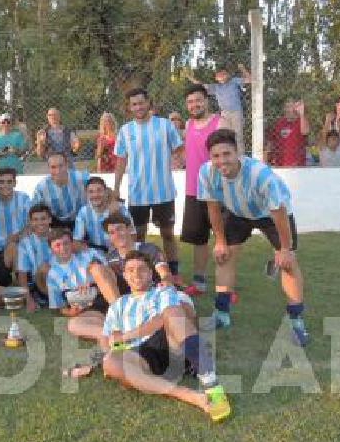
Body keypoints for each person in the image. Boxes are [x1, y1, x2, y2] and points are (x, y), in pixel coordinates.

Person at [198, 128, 309, 346]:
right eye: (216, 156)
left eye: (227, 154)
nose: (222, 161)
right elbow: (212, 208)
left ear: (238, 152)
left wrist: (285, 249)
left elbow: (279, 213)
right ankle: (221, 314)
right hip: (238, 213)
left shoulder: (261, 176)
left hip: (271, 215)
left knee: (287, 264)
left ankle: (296, 320)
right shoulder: (206, 172)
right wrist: (219, 241)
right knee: (224, 256)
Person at [97, 251, 230, 423]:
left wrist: (126, 335)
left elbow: (163, 319)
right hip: (140, 354)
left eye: (141, 269)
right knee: (110, 362)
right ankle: (190, 396)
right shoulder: (118, 305)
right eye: (130, 270)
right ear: (124, 275)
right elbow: (109, 338)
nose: (136, 274)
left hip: (169, 343)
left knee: (173, 313)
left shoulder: (163, 292)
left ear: (151, 273)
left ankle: (212, 386)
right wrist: (109, 352)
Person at [113, 87, 184, 279]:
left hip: (164, 193)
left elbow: (180, 149)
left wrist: (181, 163)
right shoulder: (125, 130)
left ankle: (174, 273)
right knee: (138, 236)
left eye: (141, 102)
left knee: (168, 234)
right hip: (138, 194)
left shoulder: (164, 125)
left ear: (148, 102)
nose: (138, 107)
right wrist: (116, 188)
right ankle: (141, 274)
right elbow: (121, 160)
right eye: (134, 104)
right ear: (129, 108)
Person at [102, 213, 194, 320]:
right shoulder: (109, 259)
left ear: (130, 229)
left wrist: (166, 283)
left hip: (157, 292)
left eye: (120, 229)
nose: (117, 235)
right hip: (134, 300)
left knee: (183, 309)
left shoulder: (149, 249)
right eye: (112, 233)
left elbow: (165, 274)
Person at [180, 85, 224, 296]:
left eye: (198, 100)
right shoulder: (188, 124)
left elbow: (229, 155)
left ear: (206, 100)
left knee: (225, 238)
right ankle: (199, 283)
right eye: (190, 102)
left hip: (218, 190)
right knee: (199, 239)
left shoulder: (220, 122)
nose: (194, 105)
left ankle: (226, 286)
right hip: (193, 191)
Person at [45, 228, 119, 341]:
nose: (63, 248)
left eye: (66, 243)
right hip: (89, 310)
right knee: (73, 325)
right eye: (57, 245)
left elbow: (109, 274)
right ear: (51, 249)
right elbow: (58, 307)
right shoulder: (52, 274)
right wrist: (70, 312)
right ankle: (115, 336)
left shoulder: (88, 255)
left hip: (106, 299)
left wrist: (92, 279)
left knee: (97, 269)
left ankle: (120, 314)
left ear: (72, 244)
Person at [187, 63, 251, 153]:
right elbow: (201, 86)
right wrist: (191, 78)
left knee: (238, 136)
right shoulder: (216, 87)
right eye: (219, 75)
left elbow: (249, 80)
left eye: (223, 73)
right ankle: (227, 155)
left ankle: (241, 158)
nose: (221, 76)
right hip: (224, 113)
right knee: (224, 136)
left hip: (236, 112)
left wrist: (242, 68)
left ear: (227, 74)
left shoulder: (234, 81)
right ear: (216, 78)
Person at [73, 176, 133, 252]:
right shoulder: (83, 212)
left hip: (118, 249)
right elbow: (77, 241)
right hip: (95, 250)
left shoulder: (120, 208)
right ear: (86, 194)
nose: (95, 195)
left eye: (99, 190)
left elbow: (132, 235)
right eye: (91, 192)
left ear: (106, 191)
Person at [31, 152, 90, 230]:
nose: (58, 171)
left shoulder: (81, 178)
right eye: (53, 167)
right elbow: (34, 211)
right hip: (56, 223)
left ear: (67, 165)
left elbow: (104, 191)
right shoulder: (41, 187)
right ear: (48, 168)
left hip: (81, 219)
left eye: (61, 166)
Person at [15, 204, 55, 311]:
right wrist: (28, 300)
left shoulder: (59, 236)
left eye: (43, 219)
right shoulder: (25, 243)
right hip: (37, 283)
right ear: (31, 222)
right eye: (35, 220)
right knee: (44, 268)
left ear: (50, 219)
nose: (40, 223)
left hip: (61, 280)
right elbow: (22, 275)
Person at [265, 99, 310, 167]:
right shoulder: (279, 123)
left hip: (297, 165)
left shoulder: (301, 121)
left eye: (291, 107)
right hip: (280, 163)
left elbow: (305, 131)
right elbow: (270, 142)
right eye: (286, 107)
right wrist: (267, 159)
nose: (288, 109)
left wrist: (302, 114)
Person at [0, 167, 31, 242]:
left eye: (9, 182)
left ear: (15, 183)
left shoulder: (24, 199)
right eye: (2, 182)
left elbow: (30, 224)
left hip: (22, 243)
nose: (5, 185)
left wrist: (17, 237)